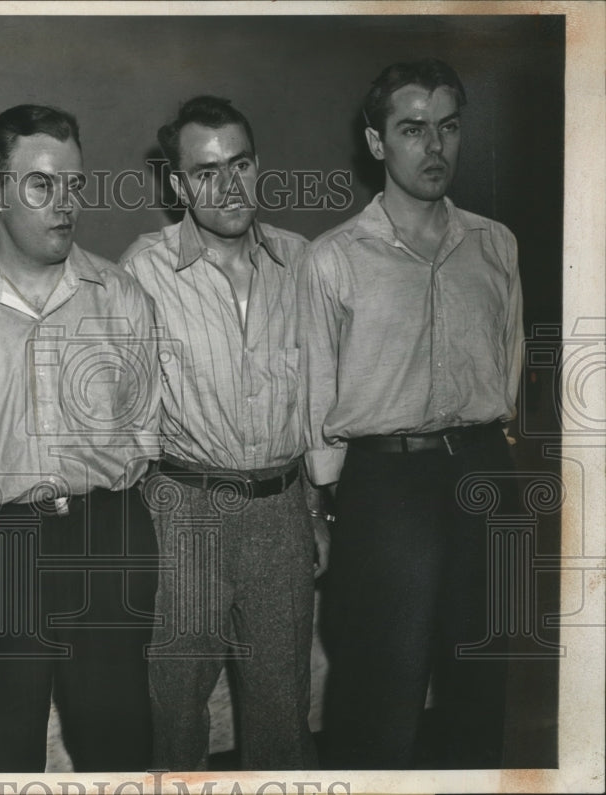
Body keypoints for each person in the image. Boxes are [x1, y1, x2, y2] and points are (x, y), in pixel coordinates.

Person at [0, 104, 160, 773]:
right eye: (42, 185)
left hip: (106, 537)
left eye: (74, 185)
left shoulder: (120, 294)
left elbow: (144, 425)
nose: (65, 203)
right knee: (3, 747)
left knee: (119, 742)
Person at [299, 59, 523, 768]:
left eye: (449, 128)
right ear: (377, 143)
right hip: (384, 489)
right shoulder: (333, 259)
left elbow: (510, 362)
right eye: (413, 129)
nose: (435, 147)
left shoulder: (495, 244)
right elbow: (314, 392)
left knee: (484, 682)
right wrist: (328, 506)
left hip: (485, 475)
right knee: (378, 696)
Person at [119, 95, 328, 771]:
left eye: (240, 163)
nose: (229, 185)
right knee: (175, 720)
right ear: (178, 185)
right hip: (185, 514)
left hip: (282, 510)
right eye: (207, 171)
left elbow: (322, 391)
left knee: (283, 718)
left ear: (258, 166)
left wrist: (318, 504)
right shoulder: (142, 270)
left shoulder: (301, 263)